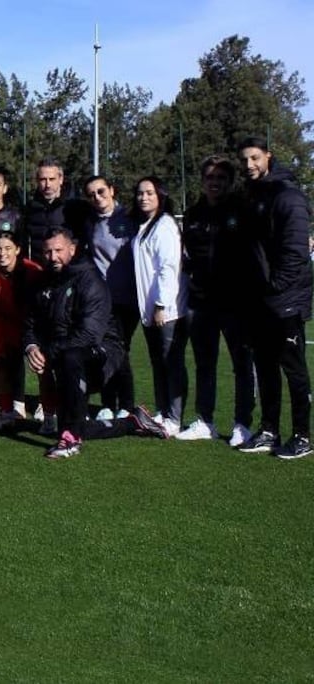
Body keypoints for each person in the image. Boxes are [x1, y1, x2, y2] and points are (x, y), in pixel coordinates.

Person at [23, 228, 168, 458]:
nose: (53, 257)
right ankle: (132, 423)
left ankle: (71, 441)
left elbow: (88, 335)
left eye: (58, 250)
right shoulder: (44, 282)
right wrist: (31, 347)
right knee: (72, 425)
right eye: (47, 252)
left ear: (72, 249)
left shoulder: (89, 279)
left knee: (72, 356)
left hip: (102, 353)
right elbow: (30, 323)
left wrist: (48, 353)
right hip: (65, 356)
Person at [236, 137, 313, 458]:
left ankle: (302, 436)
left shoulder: (287, 196)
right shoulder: (254, 195)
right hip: (260, 302)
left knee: (293, 370)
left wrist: (275, 288)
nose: (249, 165)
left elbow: (295, 252)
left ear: (268, 156)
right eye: (244, 160)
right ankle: (269, 429)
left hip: (284, 301)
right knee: (265, 367)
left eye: (255, 158)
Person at [178, 156, 255, 444]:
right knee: (204, 364)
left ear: (230, 181)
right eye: (210, 177)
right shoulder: (193, 214)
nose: (215, 182)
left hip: (236, 303)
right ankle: (204, 421)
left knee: (242, 364)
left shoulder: (241, 211)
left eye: (221, 177)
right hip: (201, 303)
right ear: (202, 180)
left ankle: (242, 424)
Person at [131, 176, 188, 436]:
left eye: (150, 193)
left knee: (171, 361)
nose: (144, 197)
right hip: (149, 310)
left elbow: (169, 267)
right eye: (140, 193)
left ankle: (174, 419)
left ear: (160, 196)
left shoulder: (164, 225)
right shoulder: (144, 226)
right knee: (158, 362)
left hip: (166, 309)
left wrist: (161, 304)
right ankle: (162, 411)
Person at [80, 176, 138, 421]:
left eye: (101, 191)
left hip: (129, 299)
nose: (97, 197)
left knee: (121, 351)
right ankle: (107, 403)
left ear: (112, 190)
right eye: (91, 194)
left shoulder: (130, 218)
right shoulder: (90, 222)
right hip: (104, 300)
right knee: (104, 350)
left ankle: (126, 404)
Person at [0, 232, 42, 431]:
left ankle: (47, 407)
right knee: (2, 361)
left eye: (7, 248)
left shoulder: (33, 271)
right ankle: (11, 409)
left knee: (41, 365)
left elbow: (41, 308)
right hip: (5, 325)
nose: (2, 253)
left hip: (34, 325)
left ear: (17, 250)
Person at [21, 159, 88, 262]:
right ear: (37, 181)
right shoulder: (29, 209)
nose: (48, 185)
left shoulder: (77, 207)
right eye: (43, 179)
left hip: (70, 270)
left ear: (60, 179)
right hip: (41, 272)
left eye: (52, 179)